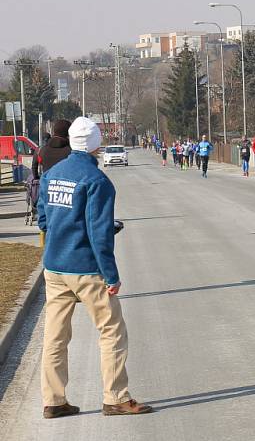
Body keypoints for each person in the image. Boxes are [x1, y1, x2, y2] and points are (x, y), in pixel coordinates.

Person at [37, 117, 152, 418]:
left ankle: (53, 400)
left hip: (55, 267)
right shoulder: (97, 181)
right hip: (86, 268)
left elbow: (44, 218)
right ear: (96, 144)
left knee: (55, 336)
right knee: (112, 330)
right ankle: (115, 397)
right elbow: (99, 233)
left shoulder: (52, 174)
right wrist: (111, 275)